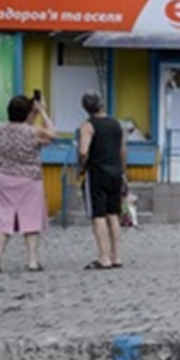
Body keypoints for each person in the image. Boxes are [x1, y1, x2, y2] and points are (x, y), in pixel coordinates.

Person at [0, 93, 56, 273]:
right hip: (29, 178)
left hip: (4, 176)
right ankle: (32, 261)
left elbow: (21, 128)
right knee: (30, 218)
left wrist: (31, 114)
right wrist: (42, 111)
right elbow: (52, 134)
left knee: (4, 218)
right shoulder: (33, 131)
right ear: (27, 113)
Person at [78, 91, 127, 270]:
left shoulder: (88, 126)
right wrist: (122, 171)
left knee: (98, 215)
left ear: (85, 108)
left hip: (97, 173)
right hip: (115, 172)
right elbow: (122, 150)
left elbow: (83, 151)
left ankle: (103, 257)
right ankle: (117, 256)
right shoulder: (116, 124)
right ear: (102, 104)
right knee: (113, 214)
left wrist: (82, 166)